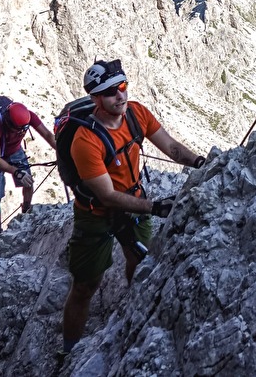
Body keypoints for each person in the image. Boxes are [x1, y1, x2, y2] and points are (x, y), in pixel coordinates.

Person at [58, 59, 206, 354]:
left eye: (122, 87)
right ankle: (69, 349)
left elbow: (171, 147)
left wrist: (200, 163)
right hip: (95, 214)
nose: (120, 96)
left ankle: (132, 309)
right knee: (86, 285)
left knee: (139, 264)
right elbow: (107, 196)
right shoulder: (85, 141)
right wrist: (153, 207)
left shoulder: (137, 113)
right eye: (111, 92)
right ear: (95, 99)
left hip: (135, 201)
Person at [0, 100, 57, 234]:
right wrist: (16, 171)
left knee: (28, 183)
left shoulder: (29, 117)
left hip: (14, 151)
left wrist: (62, 152)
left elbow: (47, 135)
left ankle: (26, 211)